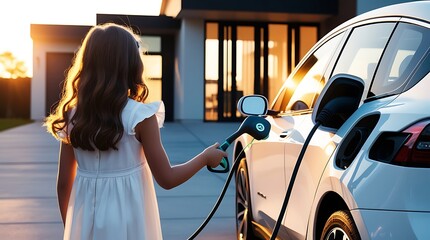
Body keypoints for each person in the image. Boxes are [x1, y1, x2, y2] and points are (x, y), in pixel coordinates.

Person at [44, 23, 227, 240]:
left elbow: (64, 183)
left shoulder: (73, 117)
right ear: (131, 65)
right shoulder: (140, 117)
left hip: (84, 226)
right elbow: (167, 178)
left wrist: (72, 227)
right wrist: (205, 157)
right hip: (130, 225)